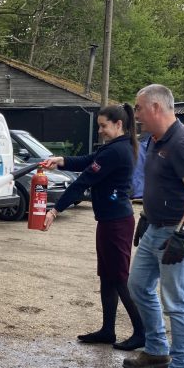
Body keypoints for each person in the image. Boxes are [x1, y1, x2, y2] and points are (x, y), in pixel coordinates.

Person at [123, 84, 184, 368]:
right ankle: (157, 348)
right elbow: (160, 185)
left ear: (156, 108)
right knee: (137, 286)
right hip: (155, 226)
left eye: (138, 109)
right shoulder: (154, 140)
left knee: (175, 300)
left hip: (177, 231)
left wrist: (183, 233)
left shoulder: (183, 141)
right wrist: (146, 217)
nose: (136, 116)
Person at [40, 104, 145, 350]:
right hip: (109, 220)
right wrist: (61, 161)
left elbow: (83, 180)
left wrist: (55, 211)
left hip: (117, 223)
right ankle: (108, 330)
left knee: (119, 278)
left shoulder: (117, 152)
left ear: (118, 125)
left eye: (103, 126)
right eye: (99, 126)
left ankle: (142, 332)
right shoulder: (115, 147)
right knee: (107, 277)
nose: (100, 130)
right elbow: (89, 161)